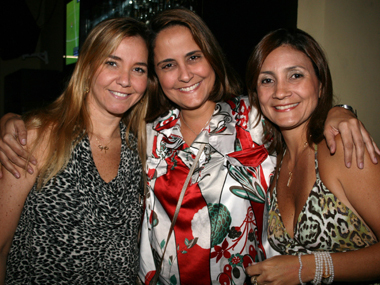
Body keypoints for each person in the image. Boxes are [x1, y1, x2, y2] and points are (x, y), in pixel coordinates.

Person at [0, 8, 378, 285]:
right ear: (154, 78)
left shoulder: (256, 120)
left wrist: (338, 113)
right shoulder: (148, 136)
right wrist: (11, 122)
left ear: (211, 57)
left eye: (193, 57)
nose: (184, 74)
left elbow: (295, 104)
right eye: (166, 64)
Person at [0, 17, 150, 284]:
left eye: (138, 69)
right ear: (88, 66)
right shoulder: (40, 138)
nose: (125, 80)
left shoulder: (141, 147)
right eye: (112, 63)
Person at [245, 28, 380, 284]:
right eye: (267, 80)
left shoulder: (339, 149)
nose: (280, 92)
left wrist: (310, 268)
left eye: (295, 75)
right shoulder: (275, 160)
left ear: (320, 85)